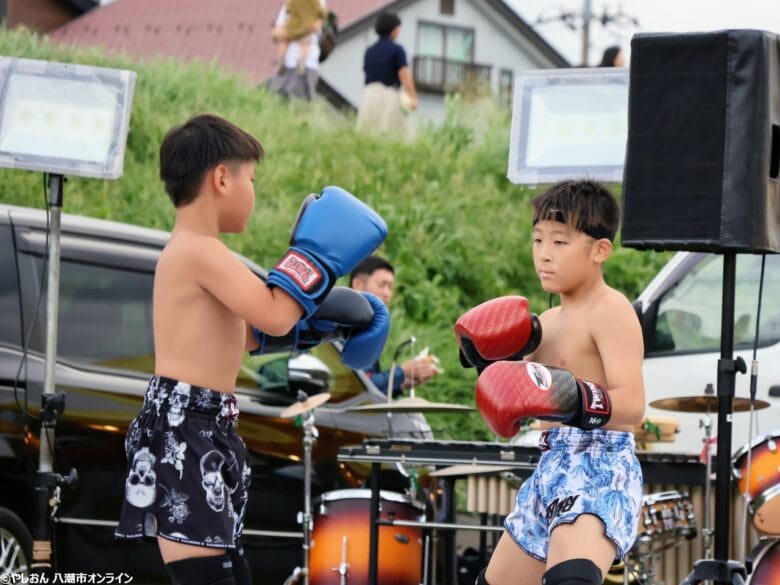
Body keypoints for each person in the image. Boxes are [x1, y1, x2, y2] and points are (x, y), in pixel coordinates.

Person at [113, 114, 388, 585]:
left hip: (203, 425)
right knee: (212, 577)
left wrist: (319, 324)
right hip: (187, 430)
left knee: (231, 573)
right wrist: (318, 261)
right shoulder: (199, 251)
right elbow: (276, 313)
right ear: (223, 177)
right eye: (252, 179)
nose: (254, 193)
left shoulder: (196, 252)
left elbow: (251, 335)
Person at [455, 180, 645, 585]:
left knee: (570, 579)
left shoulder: (610, 309)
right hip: (550, 465)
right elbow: (520, 400)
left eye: (560, 242)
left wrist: (569, 396)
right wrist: (489, 366)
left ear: (600, 250)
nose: (544, 254)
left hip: (600, 463)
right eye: (538, 239)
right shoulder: (543, 326)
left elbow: (632, 406)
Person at [350, 255, 439, 396]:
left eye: (391, 288)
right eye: (382, 285)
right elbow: (358, 386)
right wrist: (402, 372)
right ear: (358, 284)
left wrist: (402, 384)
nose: (387, 293)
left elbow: (369, 387)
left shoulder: (367, 326)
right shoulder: (345, 323)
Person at [356, 12, 418, 141]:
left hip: (369, 94)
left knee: (367, 134)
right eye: (398, 27)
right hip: (389, 94)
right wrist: (413, 97)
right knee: (395, 135)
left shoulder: (369, 51)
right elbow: (404, 75)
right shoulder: (397, 50)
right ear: (393, 29)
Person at [268, 1, 324, 101]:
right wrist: (297, 32)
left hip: (306, 67)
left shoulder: (318, 2)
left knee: (296, 104)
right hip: (286, 66)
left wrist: (293, 32)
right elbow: (276, 33)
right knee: (274, 99)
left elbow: (315, 27)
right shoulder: (290, 4)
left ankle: (299, 62)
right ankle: (281, 61)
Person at [271, 0, 326, 75]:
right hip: (303, 27)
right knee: (303, 41)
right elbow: (321, 13)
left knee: (289, 40)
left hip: (295, 26)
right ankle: (296, 61)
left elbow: (288, 8)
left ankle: (283, 60)